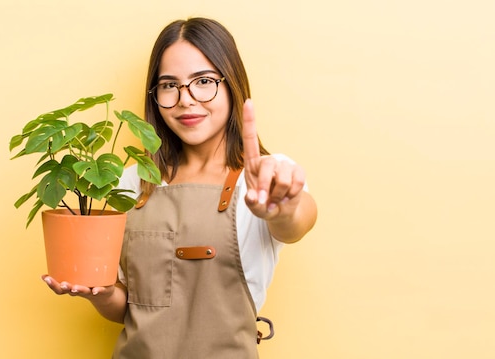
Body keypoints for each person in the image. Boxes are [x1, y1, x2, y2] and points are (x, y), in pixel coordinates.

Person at [42, 17, 317, 358]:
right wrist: (100, 295)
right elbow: (132, 308)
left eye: (203, 81)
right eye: (169, 85)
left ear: (232, 83)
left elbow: (298, 220)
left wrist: (283, 207)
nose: (185, 99)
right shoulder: (130, 183)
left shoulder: (265, 179)